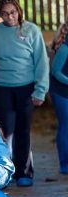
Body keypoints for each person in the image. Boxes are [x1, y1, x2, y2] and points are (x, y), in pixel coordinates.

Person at [0, 0, 49, 187]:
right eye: (5, 14)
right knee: (4, 131)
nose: (10, 17)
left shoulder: (31, 30)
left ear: (19, 11)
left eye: (13, 12)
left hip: (25, 87)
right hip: (0, 87)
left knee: (23, 130)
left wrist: (40, 89)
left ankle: (24, 172)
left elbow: (41, 61)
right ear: (0, 15)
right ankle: (3, 172)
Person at [49, 18, 68, 174]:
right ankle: (64, 164)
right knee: (66, 124)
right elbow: (56, 72)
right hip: (61, 90)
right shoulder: (65, 47)